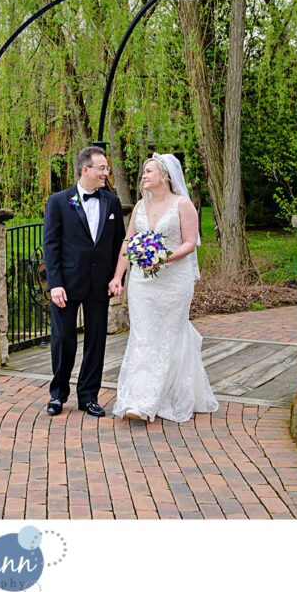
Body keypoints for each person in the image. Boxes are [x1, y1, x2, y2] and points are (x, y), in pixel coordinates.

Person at [110, 153, 218, 423]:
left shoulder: (183, 205)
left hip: (174, 281)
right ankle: (139, 401)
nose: (143, 176)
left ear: (165, 176)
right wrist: (118, 277)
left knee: (170, 335)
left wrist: (163, 257)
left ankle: (168, 396)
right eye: (144, 172)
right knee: (144, 335)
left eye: (148, 171)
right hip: (142, 283)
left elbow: (190, 242)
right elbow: (128, 242)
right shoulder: (139, 207)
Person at [42, 146, 126, 417]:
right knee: (63, 339)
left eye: (107, 169)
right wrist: (54, 283)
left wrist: (117, 277)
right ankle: (58, 395)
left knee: (96, 342)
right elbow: (51, 245)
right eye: (102, 168)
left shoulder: (111, 202)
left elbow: (119, 244)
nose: (106, 172)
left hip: (99, 285)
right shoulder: (58, 201)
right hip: (66, 283)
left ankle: (89, 396)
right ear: (85, 169)